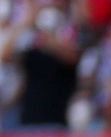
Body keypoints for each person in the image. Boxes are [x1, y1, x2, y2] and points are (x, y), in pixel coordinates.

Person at [15, 0, 80, 128]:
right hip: (27, 117)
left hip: (57, 119)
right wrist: (29, 21)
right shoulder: (29, 33)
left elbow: (73, 57)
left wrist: (46, 39)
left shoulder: (72, 28)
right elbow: (6, 55)